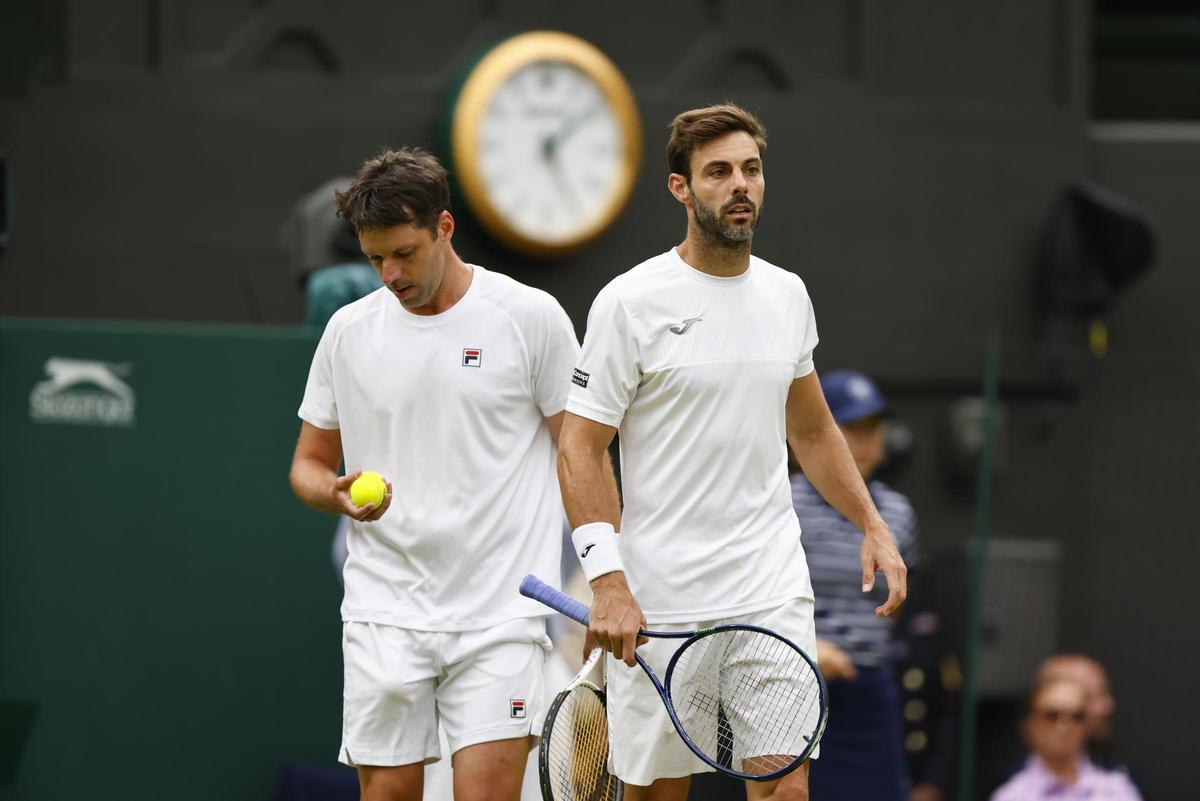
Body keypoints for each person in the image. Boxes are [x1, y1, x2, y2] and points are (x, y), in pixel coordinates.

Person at [556, 103, 908, 801]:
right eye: (718, 172)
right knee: (658, 792)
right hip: (661, 592)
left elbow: (811, 429)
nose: (740, 184)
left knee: (784, 788)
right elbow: (581, 445)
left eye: (751, 169)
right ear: (680, 188)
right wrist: (608, 581)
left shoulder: (787, 296)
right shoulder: (630, 303)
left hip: (768, 584)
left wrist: (872, 523)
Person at [288, 147, 579, 801]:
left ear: (445, 229)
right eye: (374, 259)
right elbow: (307, 465)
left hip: (501, 613)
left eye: (404, 253)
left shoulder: (530, 318)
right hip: (384, 613)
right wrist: (332, 491)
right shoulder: (346, 333)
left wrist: (609, 573)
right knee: (388, 792)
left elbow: (581, 454)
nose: (390, 273)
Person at [790, 370, 919, 801]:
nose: (865, 441)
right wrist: (810, 647)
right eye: (852, 428)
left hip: (871, 689)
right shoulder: (784, 502)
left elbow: (899, 599)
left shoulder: (899, 513)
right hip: (796, 683)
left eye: (873, 428)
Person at [989, 677, 1142, 801]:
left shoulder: (1116, 790)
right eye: (1052, 715)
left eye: (1076, 716)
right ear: (1031, 724)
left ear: (1087, 725)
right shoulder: (1012, 795)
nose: (1064, 725)